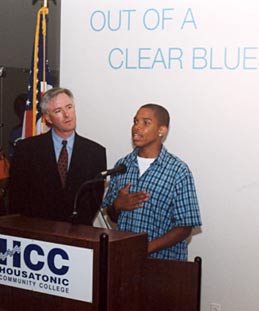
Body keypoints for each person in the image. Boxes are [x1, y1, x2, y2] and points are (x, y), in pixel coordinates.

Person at [102, 104, 201, 260]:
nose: (136, 127)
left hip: (163, 263)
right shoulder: (122, 166)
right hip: (125, 259)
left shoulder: (178, 171)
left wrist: (146, 248)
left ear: (161, 130)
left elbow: (185, 227)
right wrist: (117, 205)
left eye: (146, 123)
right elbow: (113, 216)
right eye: (135, 122)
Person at [8, 87, 107, 225]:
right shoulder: (27, 150)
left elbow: (94, 200)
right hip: (37, 234)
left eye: (69, 107)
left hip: (78, 234)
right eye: (58, 111)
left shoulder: (95, 152)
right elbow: (16, 197)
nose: (67, 115)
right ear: (48, 118)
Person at [9, 93, 27, 158]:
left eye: (24, 110)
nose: (22, 114)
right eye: (19, 110)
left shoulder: (39, 129)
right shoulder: (15, 133)